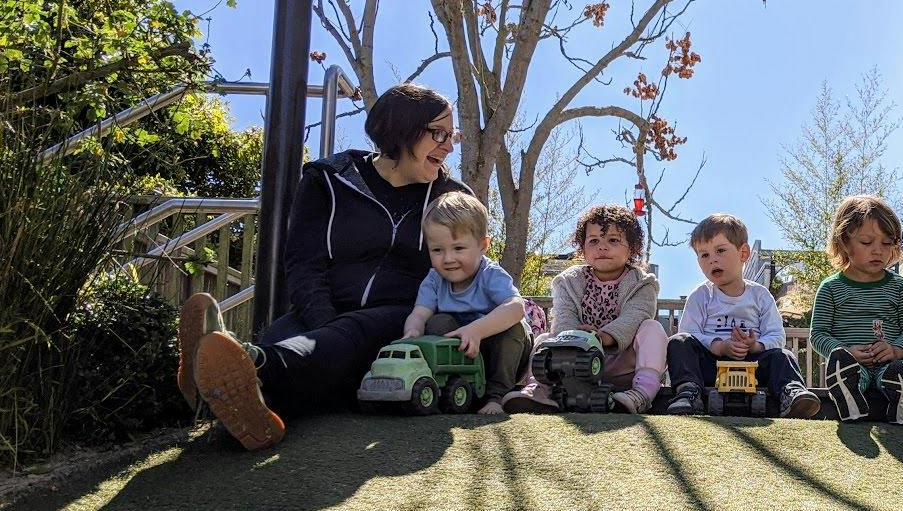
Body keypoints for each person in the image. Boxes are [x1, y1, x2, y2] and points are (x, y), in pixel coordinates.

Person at [176, 83, 471, 449]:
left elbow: (470, 267)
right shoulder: (329, 179)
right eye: (439, 133)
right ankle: (239, 393)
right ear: (401, 130)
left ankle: (249, 367)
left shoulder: (452, 199)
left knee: (306, 355)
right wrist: (325, 325)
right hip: (322, 311)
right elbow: (303, 262)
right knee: (290, 347)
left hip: (403, 321)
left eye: (451, 135)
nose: (449, 145)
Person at [504, 203, 667, 415]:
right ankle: (541, 390)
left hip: (623, 364)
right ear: (583, 248)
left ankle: (641, 393)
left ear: (633, 249)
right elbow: (564, 316)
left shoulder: (642, 283)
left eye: (613, 240)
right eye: (594, 241)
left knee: (652, 328)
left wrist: (605, 337)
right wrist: (576, 338)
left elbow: (636, 315)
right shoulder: (569, 281)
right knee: (545, 339)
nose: (602, 246)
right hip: (575, 361)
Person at [664, 213, 821, 418]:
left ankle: (791, 393)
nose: (712, 260)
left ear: (743, 253)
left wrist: (755, 346)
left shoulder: (760, 295)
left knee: (783, 355)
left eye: (720, 250)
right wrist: (719, 346)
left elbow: (776, 336)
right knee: (679, 342)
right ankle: (688, 392)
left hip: (753, 365)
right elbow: (690, 332)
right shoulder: (701, 295)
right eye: (704, 255)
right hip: (712, 365)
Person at [402, 191, 532, 415]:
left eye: (458, 248)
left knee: (513, 329)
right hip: (461, 350)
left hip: (501, 349)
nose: (448, 258)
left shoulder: (490, 274)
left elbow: (516, 307)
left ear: (483, 246)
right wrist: (412, 332)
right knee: (437, 323)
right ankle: (451, 389)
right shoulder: (434, 280)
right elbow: (420, 313)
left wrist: (477, 330)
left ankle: (497, 396)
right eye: (437, 250)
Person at [809, 195, 903, 423]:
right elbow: (818, 334)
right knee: (848, 373)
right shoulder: (830, 288)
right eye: (867, 243)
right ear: (844, 243)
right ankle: (849, 396)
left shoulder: (899, 286)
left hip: (889, 363)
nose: (878, 251)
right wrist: (843, 350)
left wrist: (896, 350)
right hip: (852, 364)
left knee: (898, 371)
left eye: (887, 243)